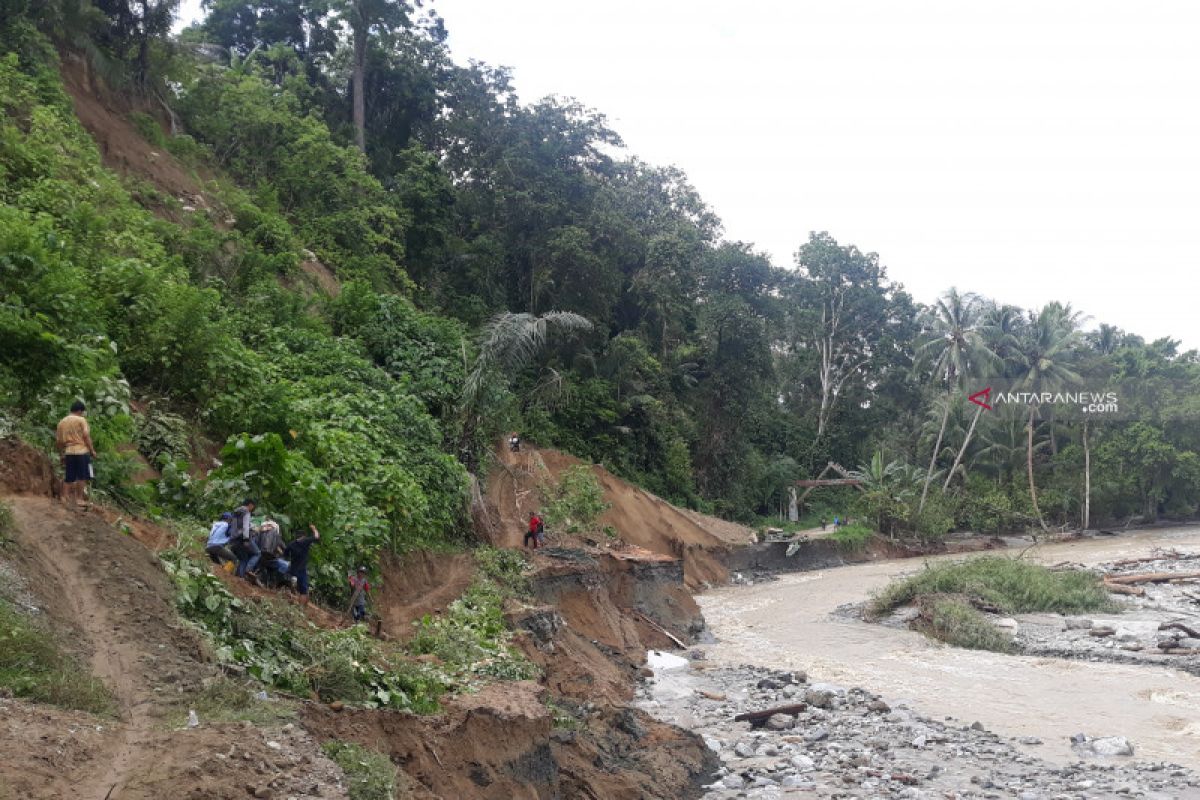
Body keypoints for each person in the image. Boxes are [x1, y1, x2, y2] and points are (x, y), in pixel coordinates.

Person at [55, 401, 96, 511]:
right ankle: (79, 499)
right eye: (82, 412)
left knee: (69, 475)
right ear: (79, 411)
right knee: (82, 476)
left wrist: (61, 454)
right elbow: (86, 436)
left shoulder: (62, 422)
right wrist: (92, 450)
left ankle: (63, 497)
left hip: (68, 451)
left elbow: (58, 441)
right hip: (81, 451)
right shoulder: (81, 420)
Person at [284, 524, 321, 606]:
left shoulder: (291, 544)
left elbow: (285, 553)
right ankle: (301, 608)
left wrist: (289, 560)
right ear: (303, 536)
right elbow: (316, 537)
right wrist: (314, 528)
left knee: (288, 585)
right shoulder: (306, 541)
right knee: (303, 591)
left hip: (292, 569)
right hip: (301, 570)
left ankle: (289, 597)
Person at [253, 520, 290, 587]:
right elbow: (285, 548)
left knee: (270, 568)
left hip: (259, 556)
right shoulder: (276, 534)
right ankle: (276, 582)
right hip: (270, 558)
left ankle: (269, 581)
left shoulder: (259, 533)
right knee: (285, 565)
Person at [229, 499, 260, 579]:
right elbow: (245, 526)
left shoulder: (235, 512)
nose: (253, 508)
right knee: (257, 553)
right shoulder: (246, 511)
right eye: (253, 507)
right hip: (242, 538)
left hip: (233, 539)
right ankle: (248, 570)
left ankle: (239, 578)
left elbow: (232, 526)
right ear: (250, 505)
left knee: (244, 558)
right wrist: (246, 539)